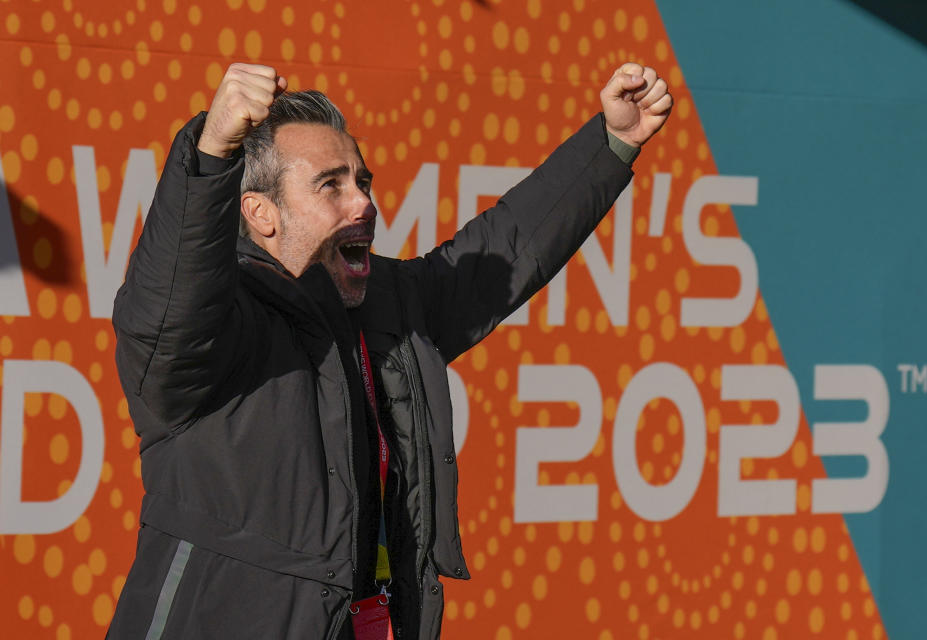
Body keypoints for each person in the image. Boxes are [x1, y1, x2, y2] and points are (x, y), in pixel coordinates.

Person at [108, 60, 671, 639]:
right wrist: (210, 156)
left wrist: (613, 142)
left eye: (363, 182)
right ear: (261, 212)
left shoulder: (386, 306)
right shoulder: (216, 328)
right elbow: (168, 309)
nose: (364, 204)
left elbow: (504, 251)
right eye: (331, 185)